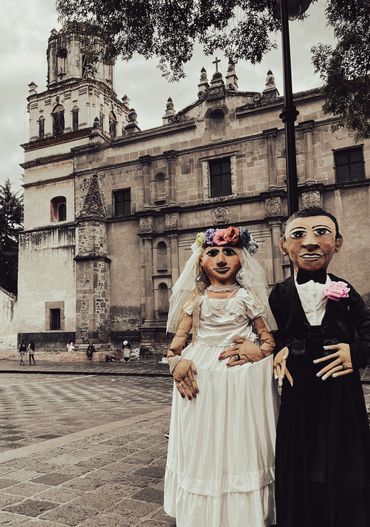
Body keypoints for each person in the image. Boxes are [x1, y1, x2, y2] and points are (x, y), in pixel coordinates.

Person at [164, 226, 278, 527]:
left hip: (240, 375)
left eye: (229, 252)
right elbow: (175, 346)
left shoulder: (247, 298)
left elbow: (268, 341)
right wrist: (176, 363)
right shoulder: (195, 301)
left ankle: (242, 510)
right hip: (202, 372)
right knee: (204, 439)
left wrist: (260, 350)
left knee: (239, 438)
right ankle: (203, 508)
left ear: (241, 259)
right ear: (201, 261)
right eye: (212, 253)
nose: (221, 259)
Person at [269, 206, 370, 527]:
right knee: (299, 460)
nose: (310, 242)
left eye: (321, 232)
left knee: (346, 462)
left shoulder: (347, 291)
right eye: (299, 235)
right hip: (298, 394)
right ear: (283, 245)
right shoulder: (279, 294)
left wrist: (357, 353)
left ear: (337, 243)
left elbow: (368, 331)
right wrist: (278, 350)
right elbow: (267, 334)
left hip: (342, 394)